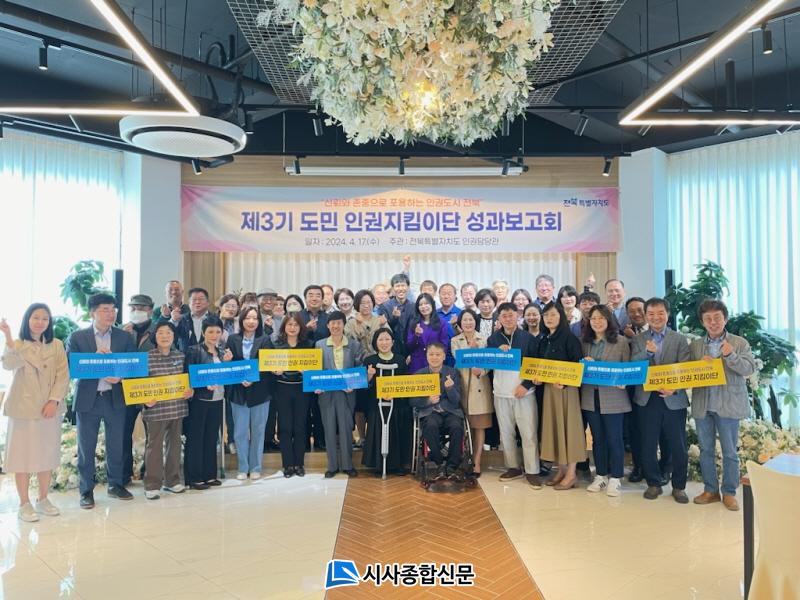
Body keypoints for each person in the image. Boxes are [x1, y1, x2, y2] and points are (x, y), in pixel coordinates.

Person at [66, 293, 137, 509]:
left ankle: (116, 485)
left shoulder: (124, 337)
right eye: (105, 309)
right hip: (89, 399)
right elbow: (71, 367)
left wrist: (121, 376)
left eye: (113, 309)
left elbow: (132, 365)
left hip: (115, 397)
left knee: (116, 444)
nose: (111, 313)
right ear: (92, 313)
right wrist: (94, 360)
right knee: (86, 447)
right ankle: (86, 490)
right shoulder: (78, 337)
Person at [1, 305, 68, 522]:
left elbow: (63, 376)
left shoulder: (56, 345)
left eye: (45, 318)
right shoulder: (18, 344)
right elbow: (8, 364)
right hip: (23, 409)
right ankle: (24, 503)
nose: (40, 322)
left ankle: (43, 498)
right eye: (36, 317)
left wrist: (54, 400)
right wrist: (8, 337)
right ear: (27, 320)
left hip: (49, 409)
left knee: (46, 455)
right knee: (21, 457)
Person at [690, 299, 756, 511]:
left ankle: (729, 492)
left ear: (725, 319)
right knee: (705, 450)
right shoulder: (695, 346)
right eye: (708, 319)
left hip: (728, 404)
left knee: (729, 452)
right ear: (702, 322)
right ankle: (710, 490)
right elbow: (686, 371)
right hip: (703, 404)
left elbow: (749, 369)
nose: (713, 322)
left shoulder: (739, 342)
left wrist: (730, 355)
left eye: (717, 318)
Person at [630, 297, 691, 503]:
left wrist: (675, 388)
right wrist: (647, 353)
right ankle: (653, 483)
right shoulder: (638, 339)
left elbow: (685, 368)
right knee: (648, 443)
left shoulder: (679, 339)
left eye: (660, 313)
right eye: (651, 314)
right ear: (646, 316)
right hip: (647, 399)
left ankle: (679, 486)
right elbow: (633, 363)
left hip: (673, 398)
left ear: (668, 314)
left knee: (678, 445)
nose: (656, 317)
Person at [487, 303, 542, 487]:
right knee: (506, 433)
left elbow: (535, 365)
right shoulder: (493, 339)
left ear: (518, 316)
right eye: (504, 316)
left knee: (528, 433)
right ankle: (513, 467)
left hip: (524, 393)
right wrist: (497, 353)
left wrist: (526, 385)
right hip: (501, 393)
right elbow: (488, 364)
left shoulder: (528, 338)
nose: (508, 319)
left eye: (511, 315)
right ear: (499, 319)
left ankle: (532, 470)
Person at [580, 306, 631, 497]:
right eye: (593, 318)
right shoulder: (584, 342)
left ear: (609, 320)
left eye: (601, 318)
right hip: (590, 396)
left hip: (614, 397)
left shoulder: (621, 341)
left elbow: (628, 368)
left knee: (614, 438)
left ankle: (616, 478)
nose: (597, 322)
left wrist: (624, 382)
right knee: (597, 438)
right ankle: (600, 475)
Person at [537, 301, 586, 490]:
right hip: (549, 391)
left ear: (562, 317)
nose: (549, 318)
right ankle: (561, 470)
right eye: (546, 315)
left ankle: (572, 474)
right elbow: (540, 365)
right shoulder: (544, 339)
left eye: (553, 315)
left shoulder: (570, 338)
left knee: (569, 430)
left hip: (567, 391)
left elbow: (578, 365)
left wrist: (565, 382)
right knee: (554, 429)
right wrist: (538, 377)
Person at [141, 322, 192, 499]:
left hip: (177, 408)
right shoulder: (146, 357)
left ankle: (172, 481)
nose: (165, 336)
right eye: (160, 333)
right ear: (154, 336)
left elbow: (188, 380)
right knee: (154, 447)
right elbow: (138, 384)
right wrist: (144, 399)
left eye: (168, 333)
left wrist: (190, 391)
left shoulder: (181, 356)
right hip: (155, 410)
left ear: (174, 336)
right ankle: (152, 484)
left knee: (175, 446)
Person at [183, 316, 233, 490]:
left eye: (218, 332)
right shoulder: (194, 350)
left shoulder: (222, 352)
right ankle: (194, 478)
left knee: (212, 438)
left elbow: (226, 375)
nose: (214, 335)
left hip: (218, 399)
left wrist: (227, 363)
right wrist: (203, 384)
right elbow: (188, 375)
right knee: (196, 438)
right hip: (200, 400)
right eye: (210, 331)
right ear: (203, 332)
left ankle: (209, 475)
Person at [226, 307, 271, 481]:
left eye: (255, 318)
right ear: (242, 320)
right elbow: (230, 365)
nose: (251, 321)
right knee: (239, 432)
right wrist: (229, 363)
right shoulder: (232, 339)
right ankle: (243, 467)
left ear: (259, 321)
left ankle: (256, 467)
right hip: (238, 392)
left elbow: (267, 364)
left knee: (258, 430)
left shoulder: (264, 339)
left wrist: (253, 378)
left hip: (260, 392)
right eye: (248, 318)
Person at [315, 311, 362, 478]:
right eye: (332, 323)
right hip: (326, 393)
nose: (335, 326)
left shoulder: (354, 345)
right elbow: (316, 369)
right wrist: (316, 385)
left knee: (346, 429)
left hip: (346, 393)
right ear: (328, 325)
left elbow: (359, 368)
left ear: (344, 325)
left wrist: (354, 385)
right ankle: (332, 466)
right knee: (328, 429)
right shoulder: (319, 345)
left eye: (339, 323)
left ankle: (348, 465)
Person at [409, 343, 464, 478]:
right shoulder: (419, 374)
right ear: (426, 356)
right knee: (430, 426)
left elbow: (456, 400)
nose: (434, 357)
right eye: (431, 354)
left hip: (450, 411)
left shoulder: (453, 373)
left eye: (438, 354)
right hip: (430, 412)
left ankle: (452, 466)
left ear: (444, 356)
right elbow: (412, 401)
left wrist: (450, 389)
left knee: (457, 427)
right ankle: (439, 462)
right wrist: (428, 401)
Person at [451, 309, 495, 477]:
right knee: (462, 427)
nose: (468, 323)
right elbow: (459, 359)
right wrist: (472, 350)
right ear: (460, 323)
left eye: (471, 320)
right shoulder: (455, 340)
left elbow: (489, 363)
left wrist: (482, 371)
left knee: (479, 427)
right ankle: (463, 459)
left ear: (475, 322)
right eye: (465, 320)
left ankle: (476, 461)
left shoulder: (484, 339)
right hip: (462, 388)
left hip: (480, 388)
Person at [361, 328, 411, 475]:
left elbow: (404, 384)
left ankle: (398, 464)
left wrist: (394, 394)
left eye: (387, 339)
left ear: (393, 342)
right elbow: (364, 387)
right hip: (376, 404)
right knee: (378, 431)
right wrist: (369, 376)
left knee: (397, 430)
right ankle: (378, 465)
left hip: (397, 404)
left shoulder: (400, 360)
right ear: (375, 343)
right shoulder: (370, 361)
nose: (384, 343)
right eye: (381, 339)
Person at [271, 315, 313, 477]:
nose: (292, 327)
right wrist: (274, 371)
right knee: (285, 427)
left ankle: (299, 464)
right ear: (284, 327)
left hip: (302, 389)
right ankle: (287, 464)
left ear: (301, 327)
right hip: (282, 388)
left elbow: (315, 367)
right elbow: (269, 365)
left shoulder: (308, 345)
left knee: (300, 427)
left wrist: (307, 371)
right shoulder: (277, 345)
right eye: (289, 324)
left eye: (296, 325)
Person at [121, 293, 156, 486]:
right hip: (126, 388)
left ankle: (149, 472)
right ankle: (124, 474)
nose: (136, 311)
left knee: (153, 434)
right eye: (133, 308)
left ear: (150, 310)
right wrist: (123, 337)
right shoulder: (122, 331)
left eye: (141, 308)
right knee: (123, 432)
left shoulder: (159, 330)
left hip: (150, 388)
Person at [345, 289, 384, 447]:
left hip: (377, 364)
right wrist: (360, 326)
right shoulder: (351, 322)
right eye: (362, 303)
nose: (366, 305)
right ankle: (362, 437)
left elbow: (385, 338)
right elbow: (349, 342)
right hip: (358, 365)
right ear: (357, 305)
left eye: (369, 302)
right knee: (360, 404)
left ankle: (376, 436)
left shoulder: (379, 320)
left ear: (373, 304)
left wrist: (365, 326)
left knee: (375, 402)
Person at [299, 285, 329, 450]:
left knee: (320, 406)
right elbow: (292, 338)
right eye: (310, 295)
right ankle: (303, 441)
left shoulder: (328, 318)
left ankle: (320, 440)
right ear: (305, 298)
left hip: (322, 367)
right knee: (304, 406)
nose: (314, 298)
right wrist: (306, 329)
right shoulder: (298, 317)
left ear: (323, 299)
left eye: (318, 295)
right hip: (302, 368)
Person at [406, 293, 451, 374]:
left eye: (426, 303)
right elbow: (410, 346)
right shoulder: (414, 323)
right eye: (421, 305)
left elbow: (444, 345)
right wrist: (416, 336)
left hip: (435, 362)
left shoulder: (442, 323)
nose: (424, 307)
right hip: (417, 363)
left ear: (432, 305)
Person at [164, 287, 213, 353]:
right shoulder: (182, 319)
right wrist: (173, 320)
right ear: (189, 303)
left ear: (208, 302)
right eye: (194, 299)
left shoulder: (215, 319)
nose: (197, 302)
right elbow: (166, 335)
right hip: (185, 357)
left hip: (209, 358)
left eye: (201, 299)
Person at [378, 273, 415, 355]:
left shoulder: (414, 306)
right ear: (393, 288)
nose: (400, 289)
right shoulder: (385, 306)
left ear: (408, 287)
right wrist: (394, 318)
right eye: (397, 286)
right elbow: (384, 330)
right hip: (391, 350)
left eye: (403, 285)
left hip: (410, 349)